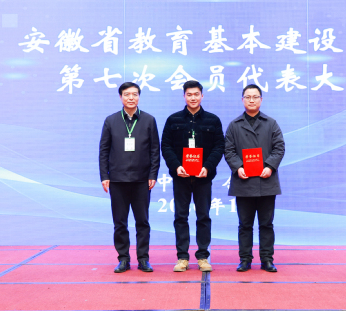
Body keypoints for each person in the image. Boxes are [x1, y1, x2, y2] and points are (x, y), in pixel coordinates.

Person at [161, 80, 225, 272]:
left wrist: (207, 167)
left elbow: (219, 147)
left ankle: (203, 257)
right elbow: (166, 146)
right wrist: (176, 166)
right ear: (184, 96)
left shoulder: (213, 120)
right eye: (189, 94)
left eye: (196, 94)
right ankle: (182, 258)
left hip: (203, 177)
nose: (193, 98)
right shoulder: (173, 120)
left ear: (202, 96)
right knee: (180, 217)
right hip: (181, 177)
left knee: (203, 216)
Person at [99, 82, 160, 273]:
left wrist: (153, 174)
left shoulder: (149, 120)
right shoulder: (111, 121)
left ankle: (143, 259)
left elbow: (155, 150)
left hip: (142, 180)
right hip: (117, 180)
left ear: (139, 97)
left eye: (134, 94)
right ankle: (123, 259)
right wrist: (104, 176)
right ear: (121, 97)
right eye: (127, 94)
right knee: (120, 223)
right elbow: (104, 150)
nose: (131, 98)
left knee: (142, 222)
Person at [224, 84, 285, 272]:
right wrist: (238, 167)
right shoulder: (234, 125)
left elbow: (279, 148)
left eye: (255, 97)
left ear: (261, 99)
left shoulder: (271, 123)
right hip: (243, 183)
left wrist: (269, 166)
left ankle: (267, 259)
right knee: (245, 225)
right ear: (242, 100)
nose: (251, 100)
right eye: (248, 97)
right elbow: (228, 150)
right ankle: (245, 259)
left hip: (266, 182)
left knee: (266, 224)